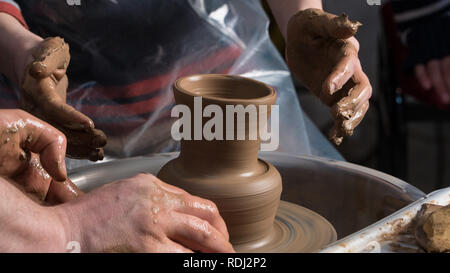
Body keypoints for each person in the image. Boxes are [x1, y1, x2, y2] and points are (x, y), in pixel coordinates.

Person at [0, 0, 372, 252]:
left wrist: (301, 16)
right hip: (63, 95)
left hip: (219, 65)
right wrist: (22, 55)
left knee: (333, 205)